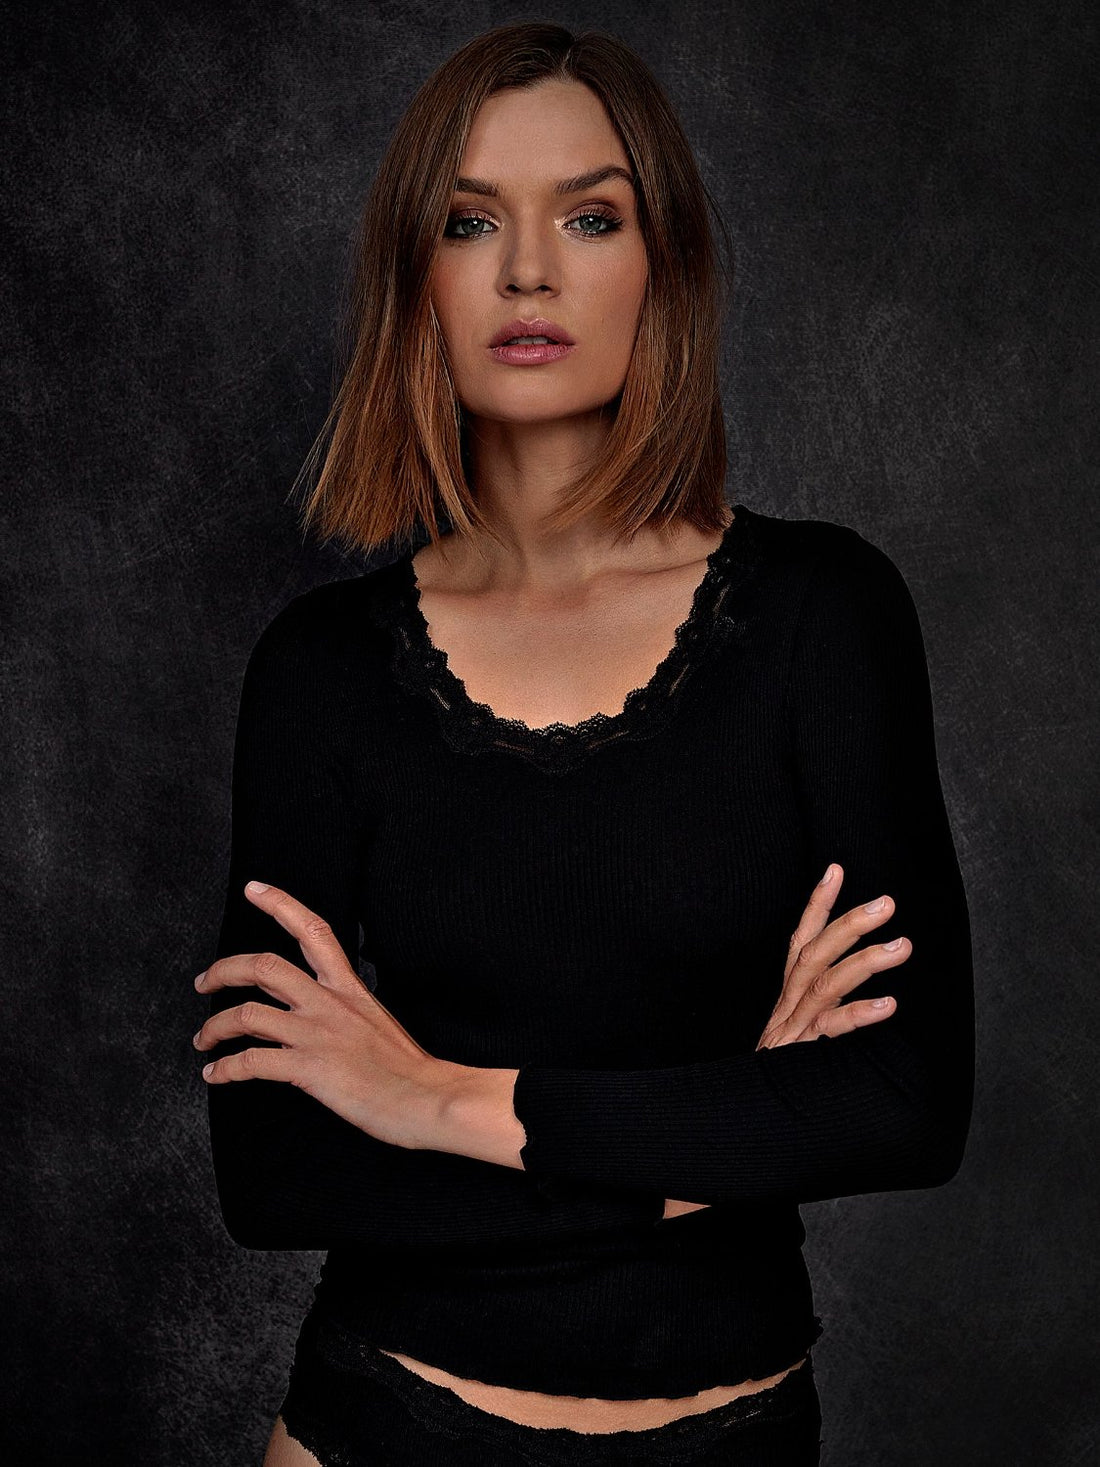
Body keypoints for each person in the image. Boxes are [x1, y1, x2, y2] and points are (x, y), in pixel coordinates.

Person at [193, 22, 975, 1467]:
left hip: (732, 1429)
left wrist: (430, 1100)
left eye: (591, 217)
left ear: (664, 265)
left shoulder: (824, 614)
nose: (528, 271)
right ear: (415, 279)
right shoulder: (322, 671)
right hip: (384, 1421)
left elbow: (901, 1106)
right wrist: (730, 1129)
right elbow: (279, 1168)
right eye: (469, 220)